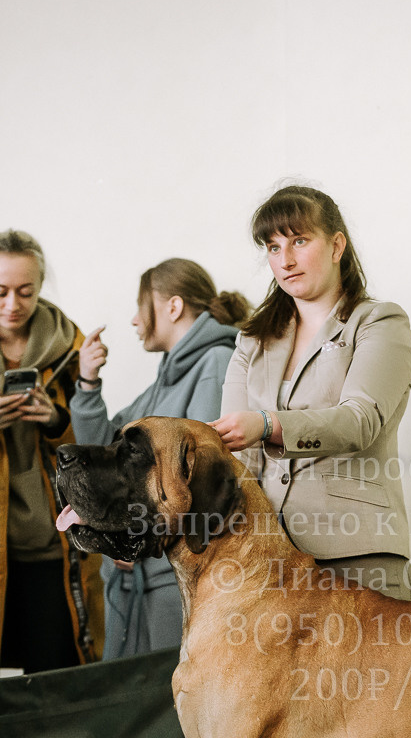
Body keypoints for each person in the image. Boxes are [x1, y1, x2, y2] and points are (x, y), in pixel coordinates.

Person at [212, 185, 411, 738]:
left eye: (298, 241)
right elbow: (231, 455)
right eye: (271, 247)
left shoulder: (379, 322)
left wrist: (268, 428)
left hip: (359, 559)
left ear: (335, 243)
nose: (285, 259)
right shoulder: (253, 337)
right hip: (271, 572)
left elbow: (362, 420)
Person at [70, 259, 249, 659]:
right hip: (144, 581)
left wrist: (141, 537)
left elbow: (199, 475)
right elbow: (104, 453)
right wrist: (87, 384)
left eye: (141, 305)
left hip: (174, 581)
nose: (135, 320)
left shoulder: (214, 364)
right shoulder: (162, 382)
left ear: (173, 307)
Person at [0, 229, 104, 673]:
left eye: (26, 291)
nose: (12, 305)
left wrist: (57, 420)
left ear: (42, 288)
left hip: (53, 550)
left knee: (55, 679)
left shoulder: (69, 347)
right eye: (0, 291)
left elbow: (94, 448)